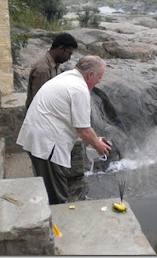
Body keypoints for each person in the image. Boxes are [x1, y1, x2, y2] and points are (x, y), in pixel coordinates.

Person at [17, 55, 111, 204]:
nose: (99, 81)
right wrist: (98, 146)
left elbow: (78, 125)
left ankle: (48, 215)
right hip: (47, 144)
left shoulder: (67, 77)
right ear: (90, 75)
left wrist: (95, 140)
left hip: (37, 136)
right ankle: (58, 222)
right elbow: (84, 130)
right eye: (99, 77)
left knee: (46, 185)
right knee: (57, 194)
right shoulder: (79, 89)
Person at [25, 33, 78, 109]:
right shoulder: (43, 69)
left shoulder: (53, 65)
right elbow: (39, 101)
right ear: (61, 49)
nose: (69, 58)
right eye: (69, 54)